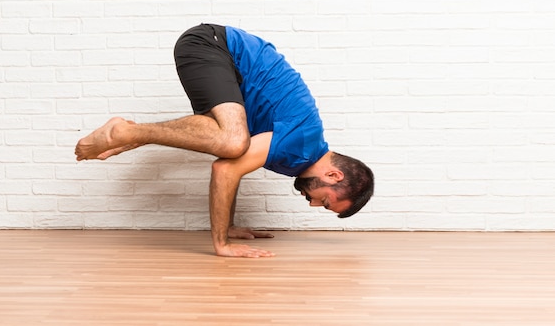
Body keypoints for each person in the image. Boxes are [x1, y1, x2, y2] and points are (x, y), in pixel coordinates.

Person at [74, 24, 374, 258]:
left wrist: (229, 226)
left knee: (230, 141)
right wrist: (222, 243)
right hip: (215, 46)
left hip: (224, 63)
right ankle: (126, 133)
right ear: (334, 175)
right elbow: (224, 170)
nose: (313, 204)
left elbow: (233, 168)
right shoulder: (302, 146)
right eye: (326, 203)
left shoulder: (299, 158)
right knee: (233, 141)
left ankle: (130, 133)